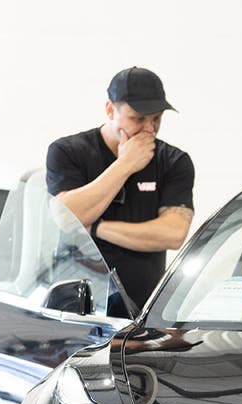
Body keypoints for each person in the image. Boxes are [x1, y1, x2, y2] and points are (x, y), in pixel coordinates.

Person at [45, 66, 196, 312]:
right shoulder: (68, 151)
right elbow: (66, 217)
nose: (149, 129)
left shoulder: (173, 161)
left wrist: (97, 227)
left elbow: (174, 233)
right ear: (109, 110)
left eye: (156, 118)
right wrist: (125, 165)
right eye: (138, 118)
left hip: (140, 309)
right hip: (75, 305)